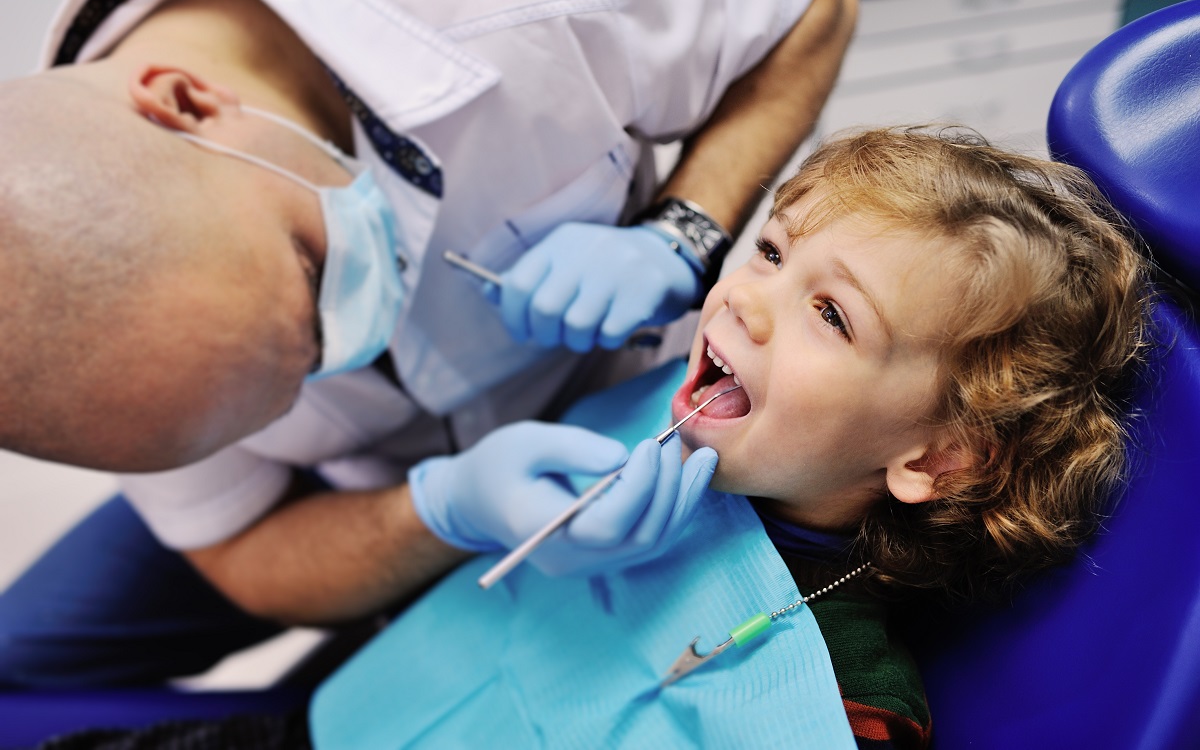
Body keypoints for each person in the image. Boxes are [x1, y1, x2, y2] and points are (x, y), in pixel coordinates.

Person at [24, 126, 1155, 749]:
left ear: (934, 458)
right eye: (771, 252)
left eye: (831, 313)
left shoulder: (845, 706)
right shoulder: (649, 409)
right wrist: (454, 502)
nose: (744, 303)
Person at [0, 0, 858, 688]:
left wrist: (684, 228)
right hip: (368, 486)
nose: (356, 347)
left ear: (186, 102)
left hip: (615, 388)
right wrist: (442, 512)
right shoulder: (88, 362)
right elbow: (240, 548)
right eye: (288, 388)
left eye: (309, 267)